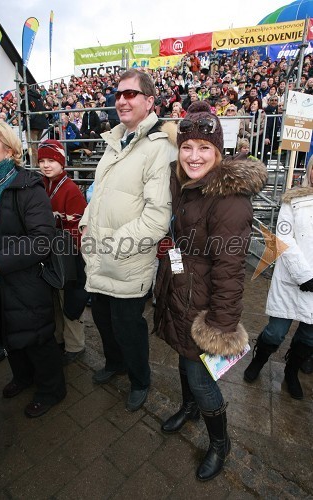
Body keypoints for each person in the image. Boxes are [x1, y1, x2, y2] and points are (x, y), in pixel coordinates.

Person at [153, 101, 267, 481]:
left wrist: (220, 325)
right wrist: (171, 262)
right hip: (183, 295)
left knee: (200, 377)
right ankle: (188, 409)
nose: (194, 155)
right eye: (187, 146)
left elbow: (230, 272)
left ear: (218, 152)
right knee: (183, 363)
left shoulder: (229, 200)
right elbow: (183, 242)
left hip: (206, 310)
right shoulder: (184, 184)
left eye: (204, 148)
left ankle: (220, 441)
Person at [79, 69, 175, 412]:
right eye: (118, 94)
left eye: (131, 94)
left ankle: (140, 379)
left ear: (150, 101)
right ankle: (115, 363)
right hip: (100, 255)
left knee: (128, 326)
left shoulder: (159, 149)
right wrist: (86, 229)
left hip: (128, 259)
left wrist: (114, 244)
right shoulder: (113, 141)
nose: (122, 99)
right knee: (103, 319)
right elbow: (99, 196)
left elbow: (156, 217)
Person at [0, 117, 66, 417]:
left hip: (25, 281)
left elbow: (42, 240)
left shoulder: (27, 187)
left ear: (8, 150)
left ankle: (52, 390)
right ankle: (23, 377)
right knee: (6, 335)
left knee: (36, 339)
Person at [243, 156, 313, 399]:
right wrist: (304, 274)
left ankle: (291, 372)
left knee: (308, 336)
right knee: (275, 332)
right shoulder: (293, 200)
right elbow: (283, 237)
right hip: (292, 280)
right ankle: (258, 361)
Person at [38, 139, 89, 364]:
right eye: (41, 161)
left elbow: (79, 228)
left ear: (61, 162)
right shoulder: (42, 184)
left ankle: (75, 345)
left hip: (68, 255)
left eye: (51, 160)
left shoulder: (70, 189)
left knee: (69, 300)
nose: (46, 165)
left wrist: (55, 222)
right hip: (50, 254)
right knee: (54, 300)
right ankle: (60, 339)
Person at [19, 84, 48, 167]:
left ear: (22, 89)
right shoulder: (37, 96)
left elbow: (23, 109)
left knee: (32, 147)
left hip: (32, 124)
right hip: (41, 123)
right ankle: (37, 165)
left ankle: (35, 166)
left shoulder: (26, 96)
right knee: (35, 146)